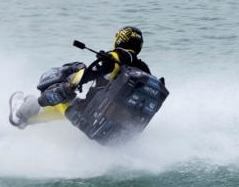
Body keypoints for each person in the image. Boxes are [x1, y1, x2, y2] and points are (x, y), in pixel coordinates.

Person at [9, 26, 151, 129]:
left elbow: (86, 75)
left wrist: (67, 86)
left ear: (120, 39)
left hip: (91, 113)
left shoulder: (115, 57)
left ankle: (20, 113)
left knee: (61, 100)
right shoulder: (144, 70)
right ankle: (28, 119)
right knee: (67, 106)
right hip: (113, 122)